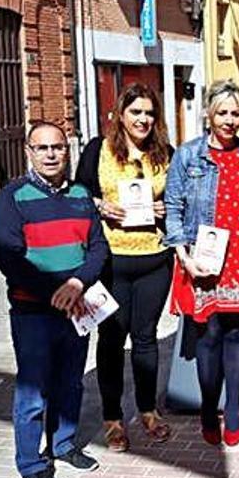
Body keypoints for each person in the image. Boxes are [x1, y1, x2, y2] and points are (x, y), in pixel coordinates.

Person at [0, 122, 108, 478]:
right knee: (33, 390)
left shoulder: (81, 195)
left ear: (67, 150)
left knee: (71, 382)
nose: (50, 154)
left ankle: (63, 444)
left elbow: (99, 247)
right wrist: (54, 293)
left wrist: (77, 283)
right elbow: (9, 257)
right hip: (33, 312)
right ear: (29, 152)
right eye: (41, 148)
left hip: (77, 308)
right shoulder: (12, 197)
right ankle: (31, 463)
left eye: (57, 147)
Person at [74, 82, 173, 452]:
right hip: (110, 261)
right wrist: (100, 206)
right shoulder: (98, 150)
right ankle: (113, 419)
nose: (143, 119)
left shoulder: (166, 154)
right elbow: (79, 191)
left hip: (154, 260)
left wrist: (167, 209)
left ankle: (148, 411)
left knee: (146, 338)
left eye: (149, 113)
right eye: (136, 112)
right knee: (112, 340)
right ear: (120, 114)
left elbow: (179, 200)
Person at [165, 79, 239, 447]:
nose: (229, 120)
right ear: (207, 114)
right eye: (222, 112)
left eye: (235, 113)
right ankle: (209, 407)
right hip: (202, 259)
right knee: (209, 334)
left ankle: (233, 409)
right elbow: (173, 210)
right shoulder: (188, 156)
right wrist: (184, 258)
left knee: (237, 333)